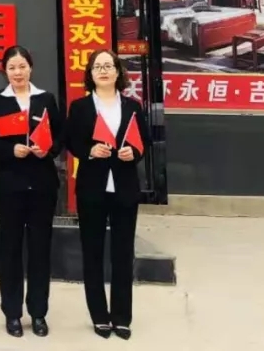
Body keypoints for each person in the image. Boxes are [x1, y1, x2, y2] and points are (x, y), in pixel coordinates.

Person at [65, 50, 152, 341]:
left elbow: (144, 141)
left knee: (123, 253)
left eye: (108, 66)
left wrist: (133, 153)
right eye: (97, 67)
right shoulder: (80, 107)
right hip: (92, 188)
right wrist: (89, 150)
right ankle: (100, 316)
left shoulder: (132, 106)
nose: (103, 71)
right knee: (92, 253)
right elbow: (71, 141)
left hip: (124, 188)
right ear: (90, 74)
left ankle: (122, 317)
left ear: (118, 72)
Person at [0, 45, 64, 338]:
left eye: (22, 66)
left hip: (42, 183)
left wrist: (48, 150)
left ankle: (38, 313)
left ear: (31, 68)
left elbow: (60, 136)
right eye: (12, 67)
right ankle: (12, 313)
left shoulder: (45, 99)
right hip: (10, 183)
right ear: (5, 71)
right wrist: (9, 149)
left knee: (40, 249)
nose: (18, 72)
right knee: (10, 249)